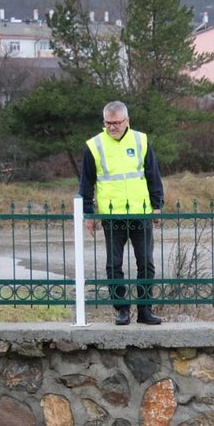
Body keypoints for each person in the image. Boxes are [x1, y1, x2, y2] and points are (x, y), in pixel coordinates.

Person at [78, 100, 164, 326]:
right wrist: (89, 214)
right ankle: (122, 310)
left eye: (116, 123)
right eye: (108, 123)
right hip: (112, 215)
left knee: (146, 263)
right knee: (114, 265)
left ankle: (145, 310)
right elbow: (86, 183)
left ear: (127, 121)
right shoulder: (94, 146)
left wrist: (157, 206)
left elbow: (153, 174)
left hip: (140, 213)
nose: (112, 127)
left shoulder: (141, 140)